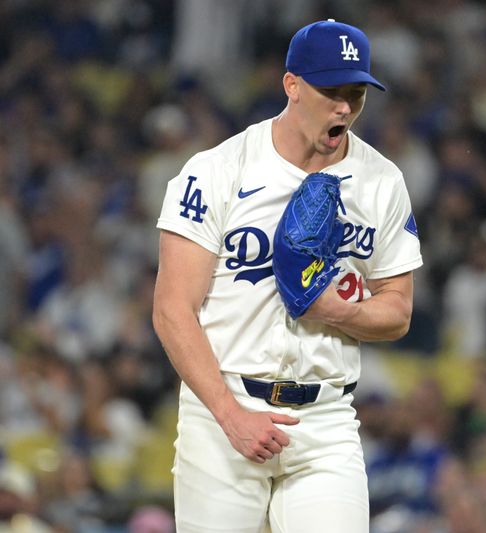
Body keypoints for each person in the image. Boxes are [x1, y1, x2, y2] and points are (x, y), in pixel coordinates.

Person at [152, 19, 422, 533]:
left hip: (325, 418)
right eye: (330, 90)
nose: (345, 107)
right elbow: (171, 309)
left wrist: (338, 311)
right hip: (223, 411)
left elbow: (398, 311)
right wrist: (231, 416)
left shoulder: (382, 181)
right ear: (292, 85)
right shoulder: (216, 170)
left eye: (356, 93)